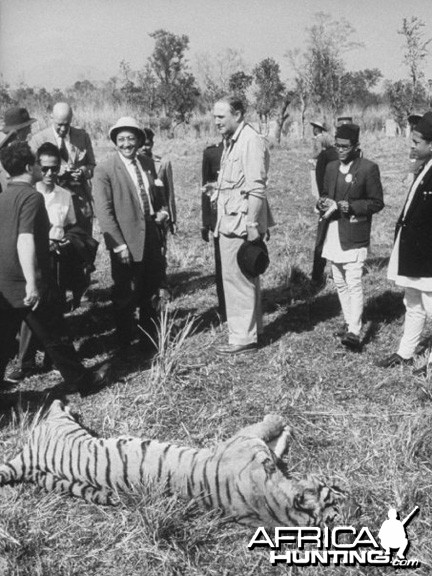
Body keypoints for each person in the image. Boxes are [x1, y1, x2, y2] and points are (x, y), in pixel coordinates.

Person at [0, 141, 109, 396]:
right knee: (56, 335)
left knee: (3, 339)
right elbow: (25, 239)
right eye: (38, 164)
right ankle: (83, 382)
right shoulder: (32, 197)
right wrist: (32, 282)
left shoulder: (3, 197)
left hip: (5, 282)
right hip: (28, 280)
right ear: (30, 166)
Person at [93, 117, 168, 355]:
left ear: (139, 140)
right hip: (125, 241)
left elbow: (157, 195)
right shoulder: (105, 169)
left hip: (151, 237)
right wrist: (119, 246)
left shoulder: (147, 163)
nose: (127, 144)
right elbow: (104, 212)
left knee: (150, 290)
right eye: (121, 139)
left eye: (131, 138)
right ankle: (125, 345)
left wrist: (164, 211)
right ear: (115, 141)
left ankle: (149, 341)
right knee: (125, 294)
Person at [211, 96, 273, 355]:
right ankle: (251, 331)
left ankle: (242, 338)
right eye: (214, 117)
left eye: (221, 117)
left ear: (237, 115)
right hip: (230, 220)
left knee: (237, 279)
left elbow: (256, 187)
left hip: (239, 223)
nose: (216, 122)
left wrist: (251, 224)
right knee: (245, 278)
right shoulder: (234, 141)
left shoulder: (249, 141)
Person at [317, 122, 384, 351]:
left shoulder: (368, 168)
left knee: (354, 281)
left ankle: (355, 331)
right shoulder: (331, 167)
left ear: (356, 146)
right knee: (339, 281)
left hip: (354, 233)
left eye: (345, 146)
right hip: (334, 232)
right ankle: (349, 322)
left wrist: (351, 206)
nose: (340, 150)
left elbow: (376, 203)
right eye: (337, 146)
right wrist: (322, 202)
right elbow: (325, 194)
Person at [378, 112, 432, 372]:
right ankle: (406, 351)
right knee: (412, 302)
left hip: (428, 254)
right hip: (413, 248)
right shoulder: (423, 167)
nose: (412, 146)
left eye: (417, 142)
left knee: (431, 305)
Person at [30, 102, 96, 236]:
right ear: (51, 118)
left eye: (67, 124)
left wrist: (82, 171)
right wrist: (57, 172)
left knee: (82, 245)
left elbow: (92, 165)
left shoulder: (82, 136)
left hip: (80, 203)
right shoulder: (38, 140)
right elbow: (31, 171)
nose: (63, 128)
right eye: (59, 124)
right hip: (52, 203)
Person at [140, 127, 176, 299]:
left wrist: (172, 218)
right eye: (142, 144)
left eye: (148, 144)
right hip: (143, 215)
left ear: (152, 144)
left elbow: (169, 192)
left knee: (161, 250)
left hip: (160, 215)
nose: (145, 148)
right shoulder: (134, 164)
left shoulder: (162, 163)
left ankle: (162, 284)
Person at [201, 140, 226, 322]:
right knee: (221, 264)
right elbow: (206, 188)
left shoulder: (247, 146)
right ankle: (224, 307)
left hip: (243, 217)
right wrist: (206, 221)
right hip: (219, 217)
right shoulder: (212, 152)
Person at [311, 130, 339, 286]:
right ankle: (337, 274)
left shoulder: (324, 156)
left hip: (326, 201)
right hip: (339, 200)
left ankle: (316, 275)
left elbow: (320, 181)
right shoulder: (337, 154)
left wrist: (321, 201)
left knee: (321, 239)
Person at [0, 107, 37, 192]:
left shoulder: (19, 150)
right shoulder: (8, 157)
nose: (30, 131)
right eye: (28, 127)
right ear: (20, 131)